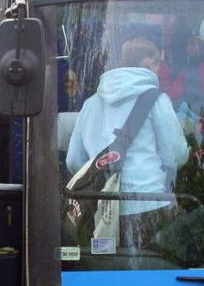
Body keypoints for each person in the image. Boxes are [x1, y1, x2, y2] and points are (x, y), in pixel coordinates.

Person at [66, 38, 189, 248]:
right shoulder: (157, 100)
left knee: (107, 270)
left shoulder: (90, 104)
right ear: (150, 64)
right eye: (158, 63)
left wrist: (105, 178)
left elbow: (74, 161)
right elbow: (176, 154)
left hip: (100, 210)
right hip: (149, 203)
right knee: (152, 272)